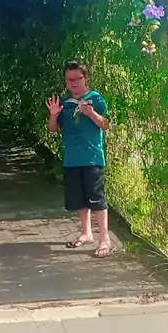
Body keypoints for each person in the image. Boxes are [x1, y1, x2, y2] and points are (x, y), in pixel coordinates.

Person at [46, 60, 112, 257]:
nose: (73, 83)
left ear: (85, 78)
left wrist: (91, 114)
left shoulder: (95, 98)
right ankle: (86, 233)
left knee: (96, 198)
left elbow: (106, 124)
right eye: (69, 80)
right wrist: (53, 114)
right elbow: (53, 129)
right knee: (79, 199)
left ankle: (105, 239)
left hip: (92, 157)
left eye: (77, 79)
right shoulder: (64, 102)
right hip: (72, 159)